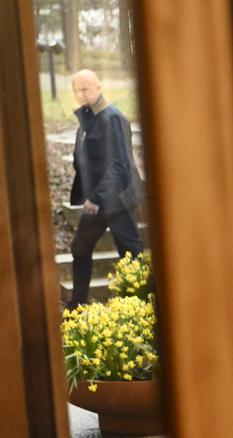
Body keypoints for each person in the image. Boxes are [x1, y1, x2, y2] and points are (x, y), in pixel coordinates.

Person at [67, 69, 144, 309]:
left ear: (98, 88)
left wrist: (98, 197)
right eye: (76, 90)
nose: (80, 94)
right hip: (98, 200)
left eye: (86, 89)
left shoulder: (111, 117)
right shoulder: (89, 118)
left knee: (130, 254)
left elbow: (120, 166)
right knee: (80, 247)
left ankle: (142, 307)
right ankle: (78, 305)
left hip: (118, 197)